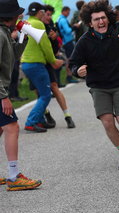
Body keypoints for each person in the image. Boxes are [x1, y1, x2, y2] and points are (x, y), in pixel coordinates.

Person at [70, 0, 119, 170]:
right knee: (107, 122)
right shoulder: (84, 41)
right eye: (96, 19)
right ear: (90, 23)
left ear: (108, 18)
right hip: (98, 87)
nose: (101, 22)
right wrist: (77, 70)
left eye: (103, 18)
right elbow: (73, 63)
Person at [0, 0, 42, 191]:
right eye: (17, 13)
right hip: (0, 91)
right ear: (9, 16)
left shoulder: (5, 33)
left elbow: (14, 55)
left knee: (1, 129)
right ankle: (14, 176)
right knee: (12, 126)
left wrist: (24, 37)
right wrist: (3, 96)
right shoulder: (0, 34)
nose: (20, 16)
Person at [21, 2, 64, 133]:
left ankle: (40, 120)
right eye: (43, 12)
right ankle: (31, 121)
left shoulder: (26, 23)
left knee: (41, 93)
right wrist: (53, 60)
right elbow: (46, 45)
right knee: (45, 94)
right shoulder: (39, 24)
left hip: (26, 63)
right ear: (40, 13)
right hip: (36, 63)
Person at [42, 4, 76, 129]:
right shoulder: (36, 25)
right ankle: (47, 115)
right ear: (41, 14)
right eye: (47, 14)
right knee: (38, 91)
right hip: (38, 61)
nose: (49, 17)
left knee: (54, 86)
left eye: (51, 15)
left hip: (49, 61)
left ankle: (67, 116)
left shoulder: (51, 25)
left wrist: (54, 39)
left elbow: (55, 46)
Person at [57, 6, 78, 84]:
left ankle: (69, 76)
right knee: (69, 59)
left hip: (65, 41)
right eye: (68, 12)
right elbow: (68, 30)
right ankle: (69, 77)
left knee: (68, 59)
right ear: (64, 11)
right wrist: (74, 27)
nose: (68, 14)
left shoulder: (59, 19)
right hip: (67, 41)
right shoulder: (63, 20)